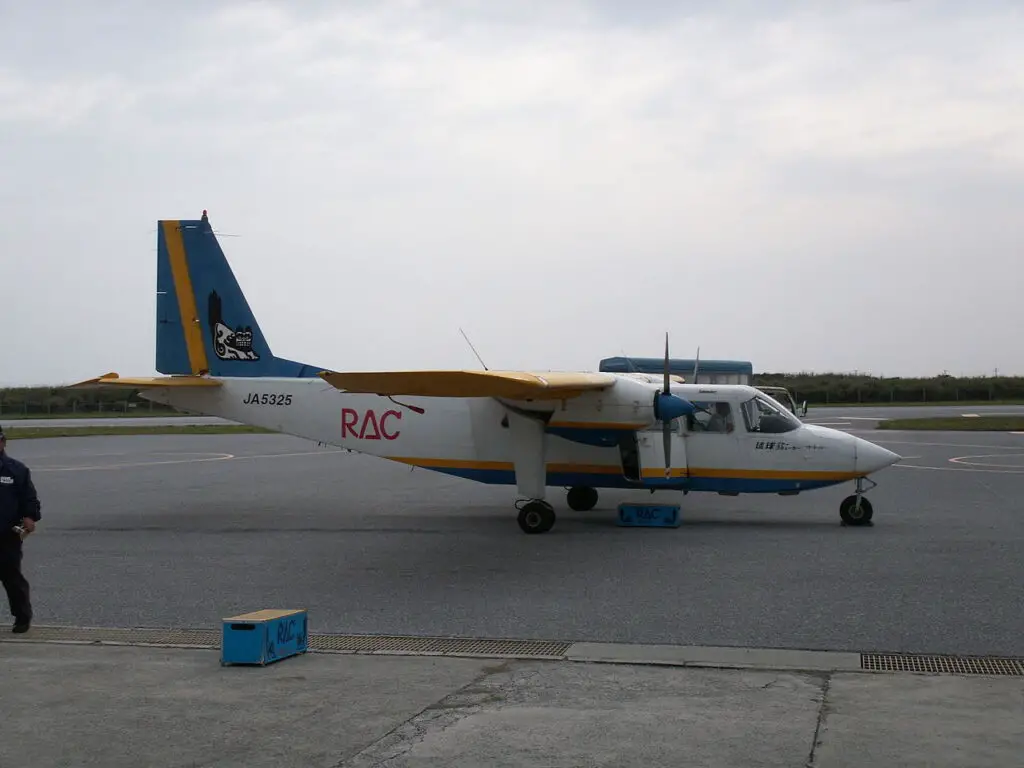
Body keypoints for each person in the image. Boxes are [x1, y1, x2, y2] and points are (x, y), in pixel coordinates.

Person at [0, 425, 41, 633]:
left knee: (12, 578)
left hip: (6, 534)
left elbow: (29, 497)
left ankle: (22, 617)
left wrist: (30, 516)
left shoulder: (16, 470)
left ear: (3, 442)